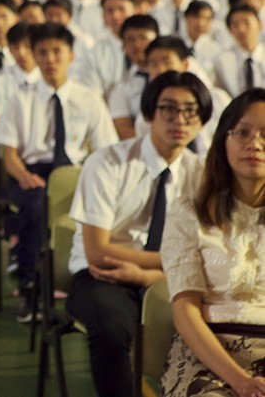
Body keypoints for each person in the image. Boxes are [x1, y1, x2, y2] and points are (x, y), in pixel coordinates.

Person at [66, 72, 212, 397]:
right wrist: (164, 265)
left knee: (214, 322)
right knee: (111, 328)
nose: (180, 120)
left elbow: (206, 254)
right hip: (105, 275)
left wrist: (149, 275)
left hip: (169, 276)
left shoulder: (202, 174)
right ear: (148, 114)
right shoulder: (107, 162)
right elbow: (98, 251)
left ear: (202, 121)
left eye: (191, 111)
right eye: (168, 109)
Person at [0, 22, 119, 321]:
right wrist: (23, 176)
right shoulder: (20, 99)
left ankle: (90, 284)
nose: (50, 59)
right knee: (37, 209)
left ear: (71, 56)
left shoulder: (89, 99)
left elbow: (105, 151)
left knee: (100, 212)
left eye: (57, 52)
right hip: (34, 172)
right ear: (35, 56)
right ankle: (29, 287)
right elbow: (9, 153)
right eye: (43, 52)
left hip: (77, 173)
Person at [161, 88, 265, 397]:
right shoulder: (188, 213)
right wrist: (241, 381)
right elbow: (185, 311)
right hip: (208, 351)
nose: (255, 144)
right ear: (223, 141)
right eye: (242, 133)